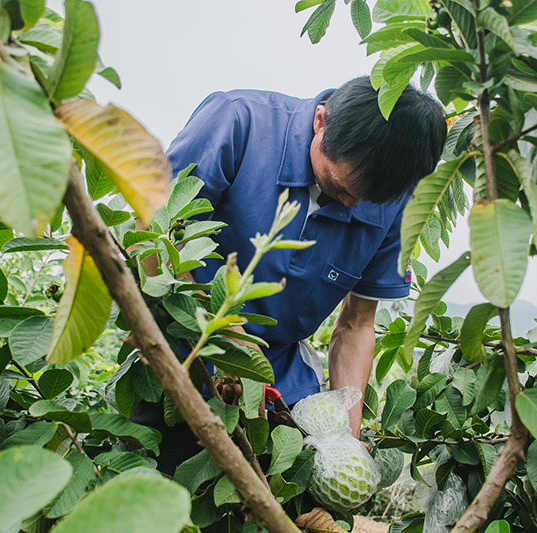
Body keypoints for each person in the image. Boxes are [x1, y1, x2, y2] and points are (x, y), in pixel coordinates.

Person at [132, 76, 446, 473]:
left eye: (367, 200)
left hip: (280, 390)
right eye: (338, 185)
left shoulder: (396, 201)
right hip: (178, 363)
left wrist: (345, 439)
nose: (349, 205)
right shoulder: (236, 123)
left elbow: (356, 325)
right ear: (320, 122)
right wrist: (228, 340)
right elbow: (151, 238)